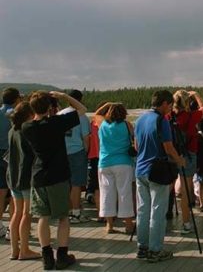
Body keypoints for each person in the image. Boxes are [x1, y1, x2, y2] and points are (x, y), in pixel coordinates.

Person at [22, 91, 87, 270]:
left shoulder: (27, 127)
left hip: (38, 176)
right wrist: (64, 96)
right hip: (57, 176)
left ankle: (47, 256)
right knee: (63, 217)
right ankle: (62, 256)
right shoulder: (56, 123)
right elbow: (82, 109)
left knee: (43, 216)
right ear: (50, 107)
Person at [134, 90, 185, 263]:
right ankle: (155, 250)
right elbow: (169, 147)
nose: (170, 109)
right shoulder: (161, 121)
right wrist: (179, 161)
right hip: (157, 170)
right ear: (164, 103)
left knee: (142, 210)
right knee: (157, 211)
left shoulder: (140, 119)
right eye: (170, 105)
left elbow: (136, 145)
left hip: (140, 169)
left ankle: (142, 247)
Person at [6, 101, 40, 260]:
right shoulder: (27, 131)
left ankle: (15, 250)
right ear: (29, 114)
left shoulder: (12, 130)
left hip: (13, 175)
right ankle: (25, 249)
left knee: (17, 213)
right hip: (26, 176)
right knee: (27, 214)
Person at [170, 90, 203, 234]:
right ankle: (186, 223)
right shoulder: (191, 116)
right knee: (186, 189)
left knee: (167, 186)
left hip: (171, 153)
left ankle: (162, 217)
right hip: (188, 154)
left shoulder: (169, 116)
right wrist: (197, 94)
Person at [97, 103, 135, 234]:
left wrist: (108, 104)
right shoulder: (127, 125)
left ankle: (109, 225)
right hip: (123, 161)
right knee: (124, 193)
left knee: (107, 193)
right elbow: (135, 140)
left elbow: (97, 113)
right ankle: (129, 224)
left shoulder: (102, 124)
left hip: (105, 162)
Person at [57, 89, 91, 223]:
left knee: (66, 184)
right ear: (80, 100)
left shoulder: (60, 114)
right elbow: (86, 138)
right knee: (76, 184)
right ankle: (75, 213)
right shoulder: (82, 116)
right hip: (77, 152)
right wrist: (86, 152)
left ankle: (68, 211)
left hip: (62, 152)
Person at [0, 87, 22, 239]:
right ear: (16, 99)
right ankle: (11, 229)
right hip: (11, 155)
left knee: (0, 191)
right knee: (14, 192)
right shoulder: (14, 115)